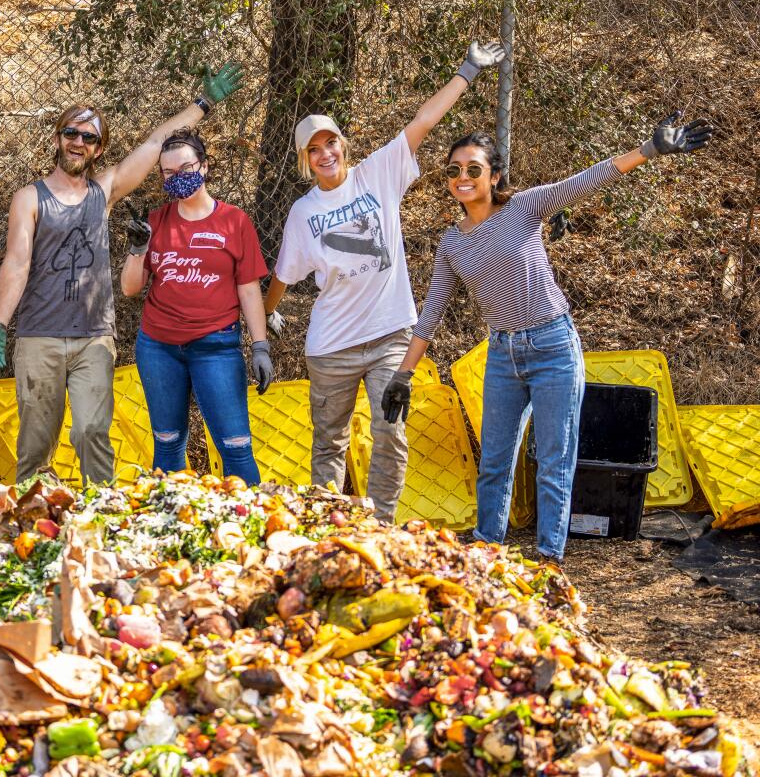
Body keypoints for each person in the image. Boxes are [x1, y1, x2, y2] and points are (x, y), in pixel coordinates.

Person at [385, 112, 712, 559]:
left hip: (554, 348)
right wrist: (403, 375)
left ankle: (548, 560)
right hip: (502, 356)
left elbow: (586, 181)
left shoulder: (524, 207)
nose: (463, 177)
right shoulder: (451, 244)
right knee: (495, 465)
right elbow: (431, 315)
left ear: (493, 175)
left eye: (474, 169)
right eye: (454, 170)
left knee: (555, 463)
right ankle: (486, 554)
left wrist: (649, 150)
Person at [263, 41, 505, 519]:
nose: (325, 153)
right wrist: (265, 319)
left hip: (391, 336)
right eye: (313, 150)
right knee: (329, 441)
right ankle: (326, 530)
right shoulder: (302, 212)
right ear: (304, 160)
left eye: (330, 142)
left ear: (342, 145)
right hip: (330, 348)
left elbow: (423, 123)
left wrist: (468, 69)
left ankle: (380, 528)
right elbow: (283, 276)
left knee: (390, 434)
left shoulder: (378, 174)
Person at [0, 63, 243, 485]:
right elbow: (17, 261)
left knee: (91, 433)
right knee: (35, 446)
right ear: (57, 139)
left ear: (98, 149)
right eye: (71, 133)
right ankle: (33, 533)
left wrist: (204, 103)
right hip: (39, 335)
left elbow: (156, 142)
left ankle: (98, 525)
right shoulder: (30, 197)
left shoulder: (104, 192)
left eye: (89, 137)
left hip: (93, 337)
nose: (78, 142)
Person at [120, 129, 272, 483]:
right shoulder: (155, 221)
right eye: (168, 173)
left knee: (235, 446)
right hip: (159, 347)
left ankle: (248, 529)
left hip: (216, 346)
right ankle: (172, 526)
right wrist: (137, 248)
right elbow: (130, 289)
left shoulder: (234, 221)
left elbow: (248, 289)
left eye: (185, 168)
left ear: (203, 167)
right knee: (168, 443)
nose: (177, 178)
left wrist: (260, 345)